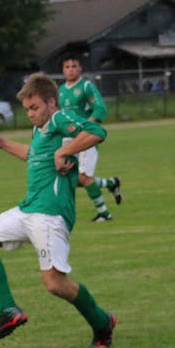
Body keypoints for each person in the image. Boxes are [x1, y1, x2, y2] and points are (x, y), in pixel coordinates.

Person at [0, 72, 117, 348]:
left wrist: (64, 152)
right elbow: (33, 154)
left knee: (55, 284)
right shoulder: (41, 129)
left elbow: (98, 132)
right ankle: (9, 311)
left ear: (51, 102)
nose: (30, 114)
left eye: (34, 108)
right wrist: (4, 144)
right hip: (28, 209)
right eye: (27, 110)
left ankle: (102, 322)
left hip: (50, 214)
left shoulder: (59, 118)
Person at [58, 54, 122, 222]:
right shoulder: (61, 90)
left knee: (83, 177)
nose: (71, 70)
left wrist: (86, 127)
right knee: (72, 177)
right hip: (68, 139)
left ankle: (104, 214)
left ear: (80, 69)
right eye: (67, 67)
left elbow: (100, 109)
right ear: (63, 70)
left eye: (74, 66)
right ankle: (111, 183)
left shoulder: (86, 86)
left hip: (86, 137)